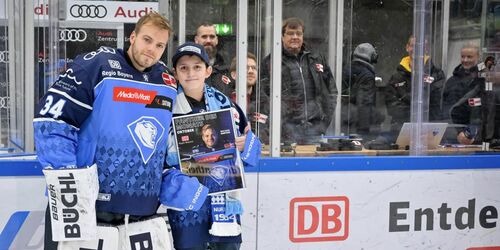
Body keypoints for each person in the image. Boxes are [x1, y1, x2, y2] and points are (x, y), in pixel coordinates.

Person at [34, 12, 207, 249]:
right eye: (147, 40)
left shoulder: (167, 80)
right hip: (84, 209)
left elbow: (165, 146)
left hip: (140, 215)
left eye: (159, 45)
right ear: (132, 37)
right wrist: (69, 182)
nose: (152, 50)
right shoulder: (96, 65)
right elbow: (51, 121)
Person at [166, 42, 261, 250]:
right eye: (184, 68)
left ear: (208, 71)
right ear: (175, 73)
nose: (190, 73)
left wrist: (247, 146)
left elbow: (253, 149)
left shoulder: (226, 104)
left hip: (224, 207)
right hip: (187, 207)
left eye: (197, 67)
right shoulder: (165, 107)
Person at [260, 17, 337, 144]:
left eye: (299, 33)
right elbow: (263, 95)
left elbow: (331, 91)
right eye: (290, 33)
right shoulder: (271, 62)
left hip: (315, 129)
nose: (295, 37)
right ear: (282, 36)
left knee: (313, 163)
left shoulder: (316, 59)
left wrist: (323, 122)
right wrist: (280, 123)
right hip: (286, 131)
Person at [384, 35, 446, 143]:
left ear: (426, 49)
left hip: (429, 131)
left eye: (420, 46)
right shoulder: (396, 77)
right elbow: (393, 108)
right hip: (401, 130)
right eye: (413, 46)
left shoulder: (436, 74)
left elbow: (436, 104)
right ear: (407, 47)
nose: (416, 50)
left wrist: (407, 102)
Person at [441, 43, 482, 143]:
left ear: (478, 57)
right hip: (454, 137)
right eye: (463, 56)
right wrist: (457, 133)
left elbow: (487, 113)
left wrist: (473, 135)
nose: (465, 60)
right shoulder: (451, 81)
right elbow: (445, 111)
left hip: (478, 138)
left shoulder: (485, 80)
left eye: (469, 57)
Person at [341, 42, 383, 141]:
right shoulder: (367, 75)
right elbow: (364, 103)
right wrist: (364, 131)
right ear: (372, 57)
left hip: (345, 119)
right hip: (358, 126)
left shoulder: (347, 69)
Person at [229, 52, 269, 143]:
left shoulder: (264, 101)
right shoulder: (224, 101)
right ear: (234, 75)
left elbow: (267, 131)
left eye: (254, 68)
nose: (250, 71)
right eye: (246, 68)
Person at [195, 22, 233, 97]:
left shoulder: (227, 70)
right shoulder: (188, 69)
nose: (208, 40)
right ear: (196, 40)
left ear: (217, 40)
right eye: (204, 37)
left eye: (212, 37)